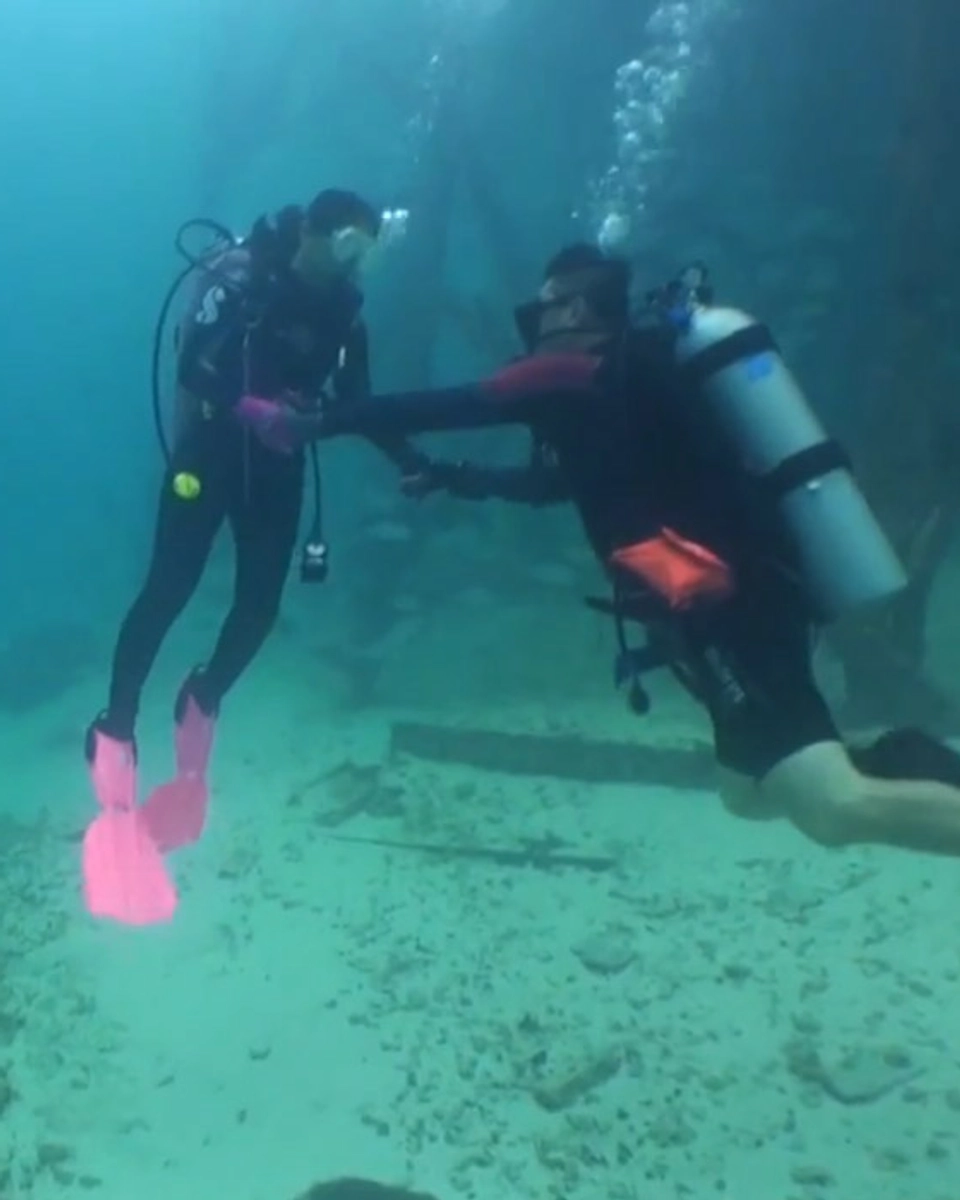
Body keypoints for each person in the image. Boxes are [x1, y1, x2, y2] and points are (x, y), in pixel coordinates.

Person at [266, 242, 960, 860]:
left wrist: (316, 422)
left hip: (740, 610)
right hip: (703, 613)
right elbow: (558, 484)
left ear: (572, 309)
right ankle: (908, 762)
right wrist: (453, 479)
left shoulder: (575, 376)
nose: (532, 320)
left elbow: (449, 405)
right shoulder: (617, 393)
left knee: (835, 810)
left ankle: (869, 774)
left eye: (543, 306)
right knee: (746, 795)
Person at [83, 188, 427, 925]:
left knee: (261, 609)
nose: (350, 261)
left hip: (276, 468)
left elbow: (357, 402)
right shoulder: (243, 282)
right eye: (342, 243)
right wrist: (253, 410)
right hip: (206, 454)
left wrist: (409, 457)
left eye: (364, 249)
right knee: (168, 591)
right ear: (308, 231)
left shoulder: (346, 315)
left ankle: (200, 699)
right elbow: (197, 370)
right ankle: (115, 732)